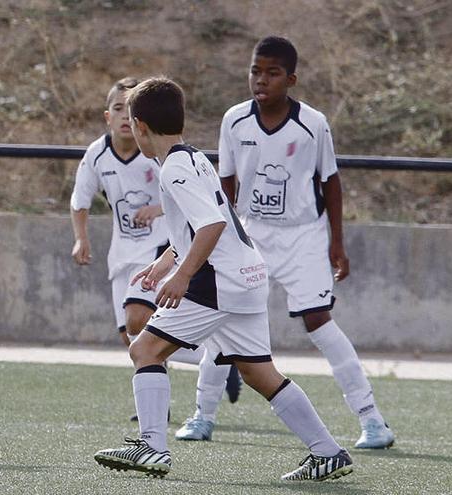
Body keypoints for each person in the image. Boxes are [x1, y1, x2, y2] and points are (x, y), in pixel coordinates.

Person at [92, 77, 353, 482]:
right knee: (258, 373)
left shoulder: (174, 169)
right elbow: (201, 225)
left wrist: (182, 275)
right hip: (247, 275)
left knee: (144, 349)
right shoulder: (192, 157)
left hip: (219, 282)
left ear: (140, 126)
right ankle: (327, 451)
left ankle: (152, 446)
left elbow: (211, 224)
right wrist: (165, 263)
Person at [178, 36, 394, 449]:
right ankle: (203, 415)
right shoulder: (234, 121)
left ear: (290, 79)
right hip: (249, 234)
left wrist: (337, 244)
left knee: (318, 321)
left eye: (273, 73)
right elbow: (225, 183)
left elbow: (330, 182)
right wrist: (222, 236)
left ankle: (372, 421)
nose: (261, 80)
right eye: (256, 71)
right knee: (224, 320)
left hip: (303, 237)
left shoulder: (313, 123)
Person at [70, 78, 240, 422]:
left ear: (140, 121)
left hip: (162, 248)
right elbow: (79, 200)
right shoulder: (97, 154)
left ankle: (155, 418)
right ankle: (213, 358)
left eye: (127, 110)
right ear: (107, 116)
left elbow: (193, 200)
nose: (123, 117)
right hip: (122, 254)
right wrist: (81, 237)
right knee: (131, 335)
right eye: (116, 109)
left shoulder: (158, 153)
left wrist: (157, 212)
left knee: (140, 322)